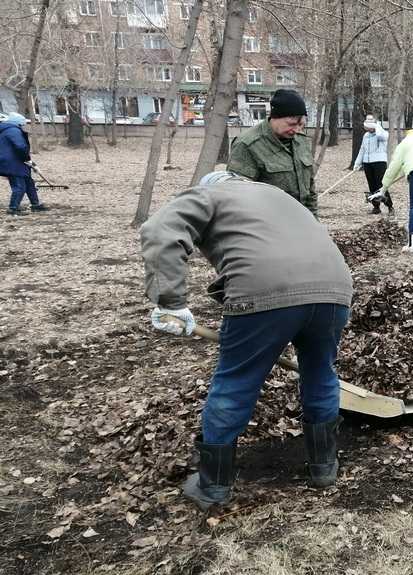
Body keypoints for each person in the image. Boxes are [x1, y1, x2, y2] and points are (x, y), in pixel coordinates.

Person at [139, 171, 353, 509]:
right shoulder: (277, 196)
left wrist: (171, 302)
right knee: (320, 372)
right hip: (335, 289)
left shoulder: (208, 195)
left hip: (266, 290)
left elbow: (158, 230)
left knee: (236, 381)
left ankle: (213, 486)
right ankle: (324, 468)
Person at [227, 89, 318, 216]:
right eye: (292, 124)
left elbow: (310, 187)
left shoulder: (301, 141)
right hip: (267, 225)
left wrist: (313, 222)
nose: (297, 130)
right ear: (275, 117)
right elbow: (237, 197)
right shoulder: (247, 144)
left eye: (301, 125)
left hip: (301, 222)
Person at [370, 129, 413, 252]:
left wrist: (384, 187)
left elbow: (394, 167)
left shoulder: (404, 144)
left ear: (407, 135)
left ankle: (412, 245)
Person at [0, 112, 48, 215]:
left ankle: (36, 205)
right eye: (22, 124)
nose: (23, 126)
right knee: (19, 186)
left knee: (29, 183)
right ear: (18, 123)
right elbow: (21, 147)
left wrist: (30, 162)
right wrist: (27, 159)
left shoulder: (8, 130)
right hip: (12, 163)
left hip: (15, 161)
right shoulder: (13, 131)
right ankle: (13, 208)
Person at [354, 114, 394, 216]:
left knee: (380, 185)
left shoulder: (382, 133)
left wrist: (377, 126)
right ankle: (376, 207)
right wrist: (357, 163)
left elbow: (381, 136)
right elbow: (362, 149)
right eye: (366, 126)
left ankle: (390, 206)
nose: (367, 128)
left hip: (379, 162)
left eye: (369, 126)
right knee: (371, 185)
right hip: (367, 163)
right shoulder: (366, 136)